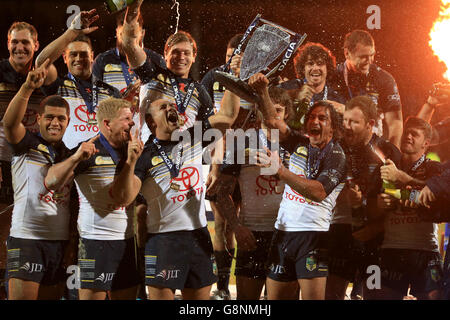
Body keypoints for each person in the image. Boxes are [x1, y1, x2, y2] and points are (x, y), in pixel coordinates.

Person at [108, 80, 240, 299]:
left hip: (199, 238)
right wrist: (130, 163)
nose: (171, 108)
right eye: (163, 107)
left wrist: (234, 77)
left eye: (172, 106)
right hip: (163, 242)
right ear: (150, 122)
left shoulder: (194, 137)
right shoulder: (145, 155)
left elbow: (227, 115)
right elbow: (125, 197)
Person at [249, 73, 346, 300]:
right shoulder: (299, 143)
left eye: (322, 118)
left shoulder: (336, 155)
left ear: (332, 128)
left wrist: (281, 171)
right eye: (312, 117)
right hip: (283, 234)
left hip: (314, 236)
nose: (315, 122)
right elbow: (274, 122)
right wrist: (263, 90)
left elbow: (318, 192)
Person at [44, 97, 140, 300]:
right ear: (107, 123)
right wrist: (76, 157)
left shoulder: (133, 151)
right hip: (95, 244)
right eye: (126, 119)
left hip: (127, 243)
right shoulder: (87, 149)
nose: (132, 123)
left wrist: (132, 161)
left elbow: (126, 197)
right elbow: (51, 182)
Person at [4, 60, 72, 300]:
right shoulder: (26, 144)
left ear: (68, 122)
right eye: (50, 118)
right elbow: (10, 123)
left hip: (59, 243)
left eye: (61, 119)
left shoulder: (69, 154)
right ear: (40, 119)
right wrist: (27, 89)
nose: (55, 123)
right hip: (27, 241)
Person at [216, 86, 293, 300]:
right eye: (268, 109)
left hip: (287, 235)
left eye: (278, 110)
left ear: (287, 113)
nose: (272, 115)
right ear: (257, 110)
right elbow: (222, 193)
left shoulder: (294, 143)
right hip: (253, 234)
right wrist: (237, 227)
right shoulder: (242, 141)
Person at [0, 21, 56, 299]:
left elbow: (50, 56)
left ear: (35, 46)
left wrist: (72, 32)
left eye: (26, 43)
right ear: (7, 44)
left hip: (34, 160)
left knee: (24, 223)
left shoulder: (45, 73)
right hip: (3, 160)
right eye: (15, 42)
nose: (20, 47)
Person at [325, 95, 401, 300]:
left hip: (374, 238)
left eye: (354, 122)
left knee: (373, 294)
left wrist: (375, 224)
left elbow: (395, 201)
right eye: (346, 120)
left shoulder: (388, 151)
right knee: (331, 293)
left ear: (371, 124)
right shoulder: (335, 147)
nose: (347, 127)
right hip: (340, 231)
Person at [200, 33, 251, 300]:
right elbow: (210, 126)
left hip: (251, 160)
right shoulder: (212, 77)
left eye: (241, 55)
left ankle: (251, 280)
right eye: (233, 54)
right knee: (221, 223)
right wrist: (214, 165)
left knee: (242, 223)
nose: (236, 59)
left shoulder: (256, 79)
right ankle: (221, 286)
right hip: (221, 156)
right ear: (226, 55)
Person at [121, 0, 214, 144]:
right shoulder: (151, 74)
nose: (181, 57)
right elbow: (129, 44)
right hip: (151, 157)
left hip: (184, 161)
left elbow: (209, 133)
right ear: (165, 53)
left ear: (194, 57)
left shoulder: (199, 91)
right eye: (175, 52)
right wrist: (134, 8)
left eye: (186, 53)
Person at [376, 117, 444, 299]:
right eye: (407, 132)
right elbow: (371, 209)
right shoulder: (387, 165)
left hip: (425, 250)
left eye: (415, 134)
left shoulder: (434, 168)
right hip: (391, 248)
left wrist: (401, 181)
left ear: (426, 143)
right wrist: (379, 205)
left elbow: (434, 196)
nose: (408, 136)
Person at [36, 9, 121, 149]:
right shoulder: (58, 86)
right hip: (68, 163)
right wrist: (73, 31)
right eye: (73, 54)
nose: (78, 59)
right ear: (64, 58)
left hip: (102, 163)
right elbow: (41, 63)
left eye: (83, 54)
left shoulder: (110, 92)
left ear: (92, 56)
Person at [336, 30, 403, 148]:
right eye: (363, 57)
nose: (369, 61)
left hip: (371, 148)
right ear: (347, 53)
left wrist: (394, 155)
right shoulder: (333, 76)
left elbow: (395, 123)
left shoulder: (384, 79)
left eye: (372, 55)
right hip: (339, 147)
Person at [280, 42, 346, 119]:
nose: (315, 68)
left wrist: (346, 112)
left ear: (327, 68)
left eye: (320, 63)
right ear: (303, 69)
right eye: (310, 64)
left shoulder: (337, 98)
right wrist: (294, 97)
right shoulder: (289, 87)